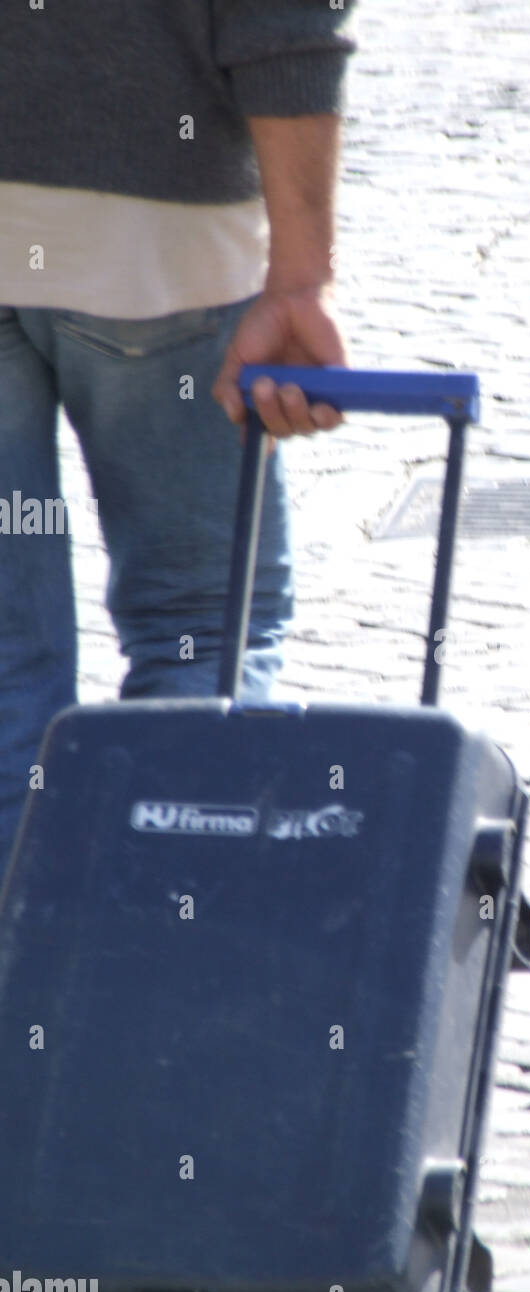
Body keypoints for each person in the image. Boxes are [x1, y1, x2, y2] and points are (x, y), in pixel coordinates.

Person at [0, 1, 358, 878]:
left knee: (7, 650)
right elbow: (284, 22)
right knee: (197, 624)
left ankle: (26, 979)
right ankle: (158, 949)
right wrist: (299, 280)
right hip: (156, 242)